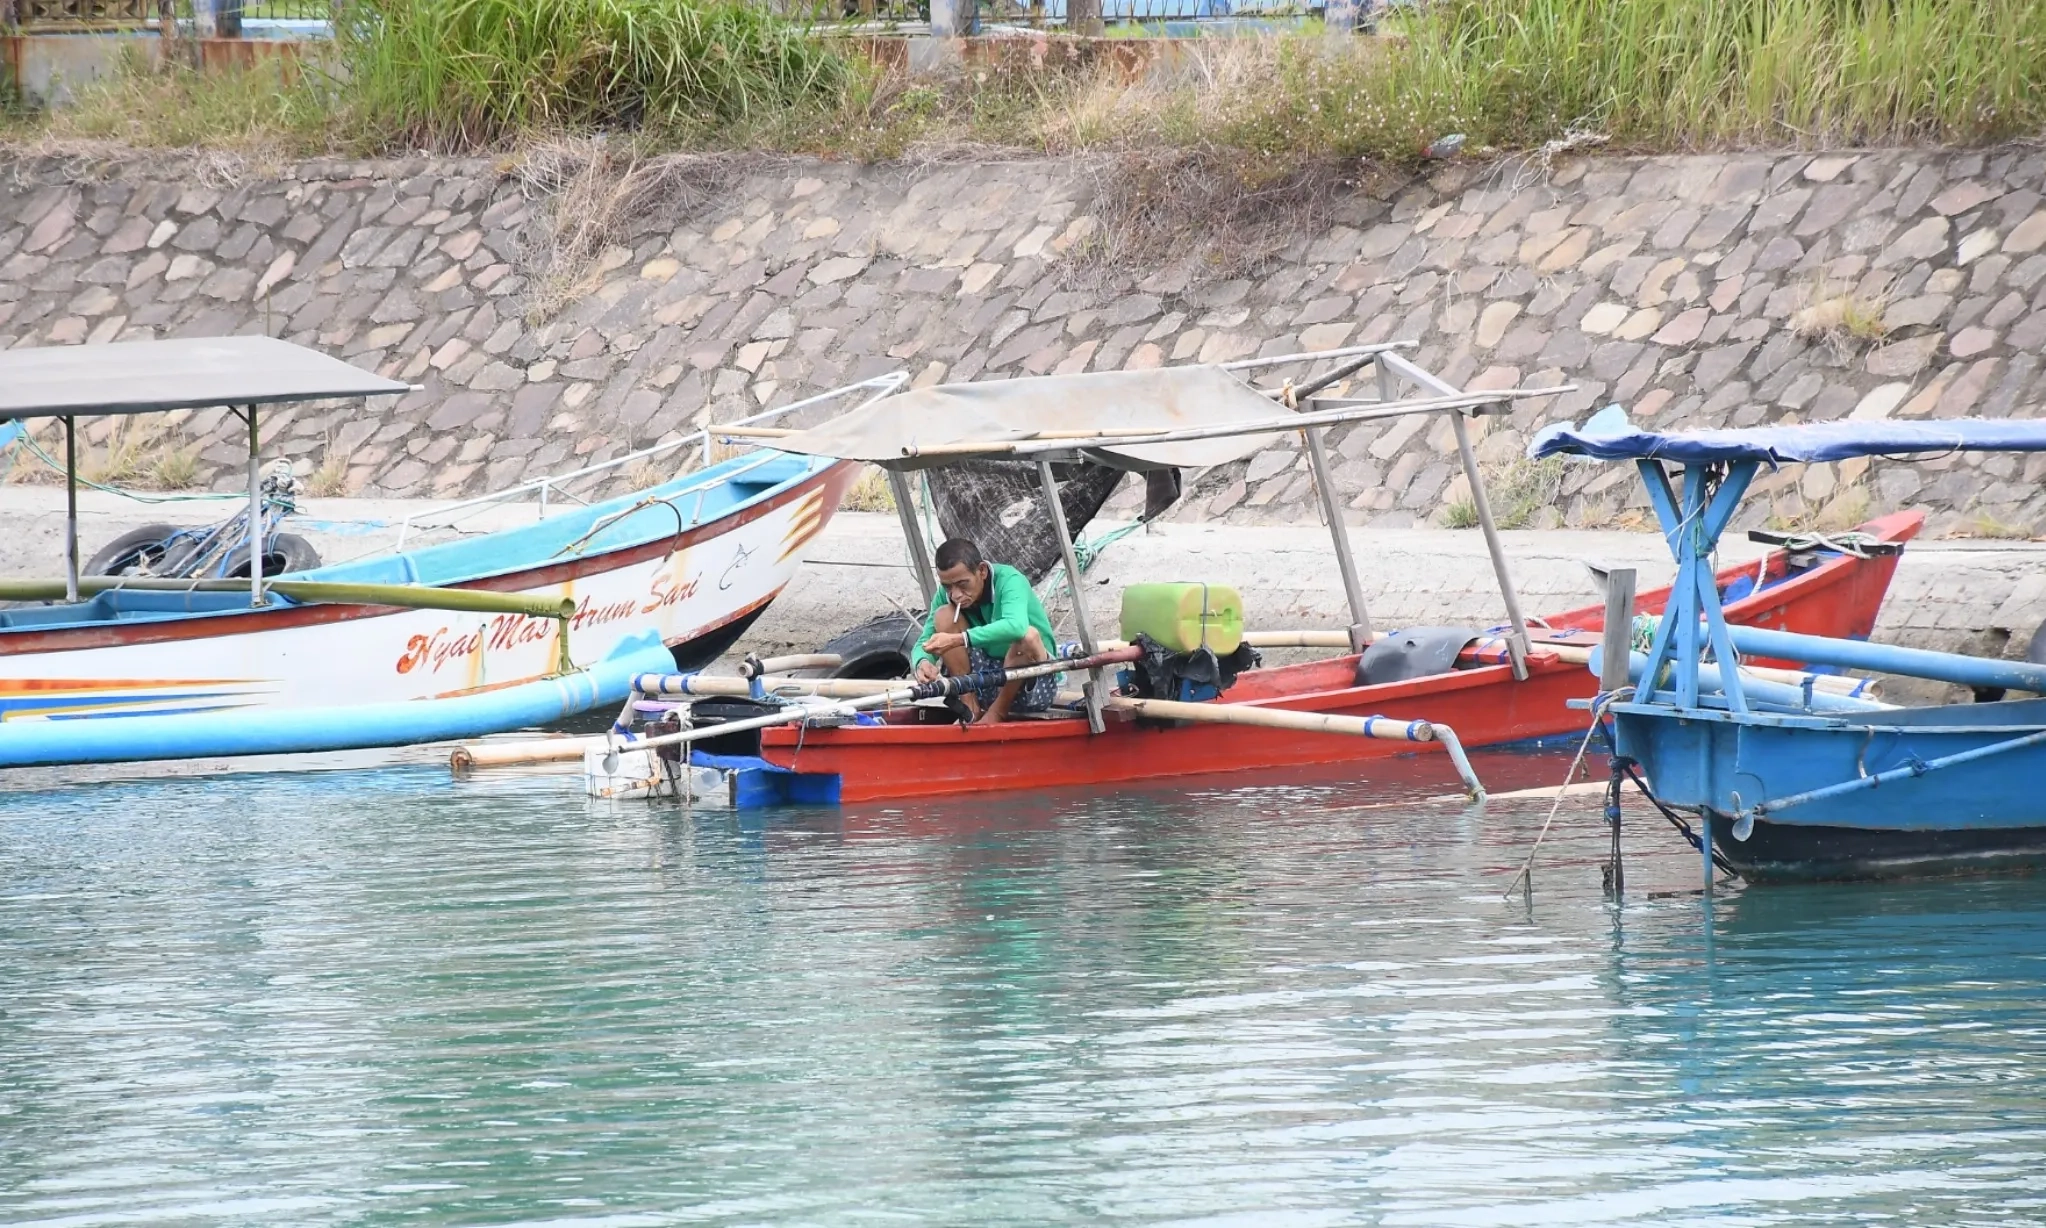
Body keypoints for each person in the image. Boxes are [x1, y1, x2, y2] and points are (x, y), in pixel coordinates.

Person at [910, 537, 1060, 725]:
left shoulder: (1009, 580)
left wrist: (959, 639)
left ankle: (997, 713)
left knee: (1028, 636)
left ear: (981, 571)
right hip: (985, 680)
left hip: (1030, 682)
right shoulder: (947, 594)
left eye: (962, 584)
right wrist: (922, 662)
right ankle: (970, 707)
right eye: (948, 586)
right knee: (943, 615)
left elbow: (1016, 627)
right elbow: (925, 640)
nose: (955, 594)